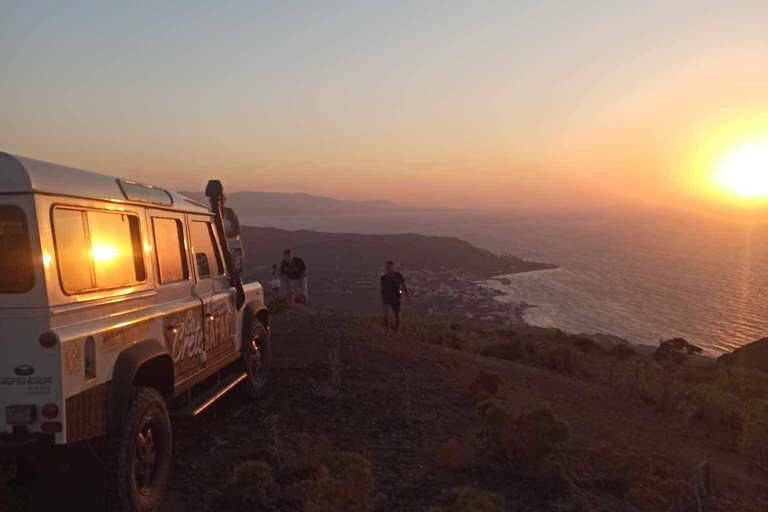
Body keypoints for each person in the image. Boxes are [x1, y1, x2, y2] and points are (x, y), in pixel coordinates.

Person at [381, 260, 411, 332]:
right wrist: (382, 296)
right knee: (386, 312)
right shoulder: (383, 278)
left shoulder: (398, 276)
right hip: (386, 297)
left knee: (396, 314)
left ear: (393, 267)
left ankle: (398, 330)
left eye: (390, 267)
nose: (389, 269)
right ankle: (388, 329)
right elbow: (382, 287)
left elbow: (404, 285)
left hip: (396, 297)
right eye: (387, 267)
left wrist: (408, 296)